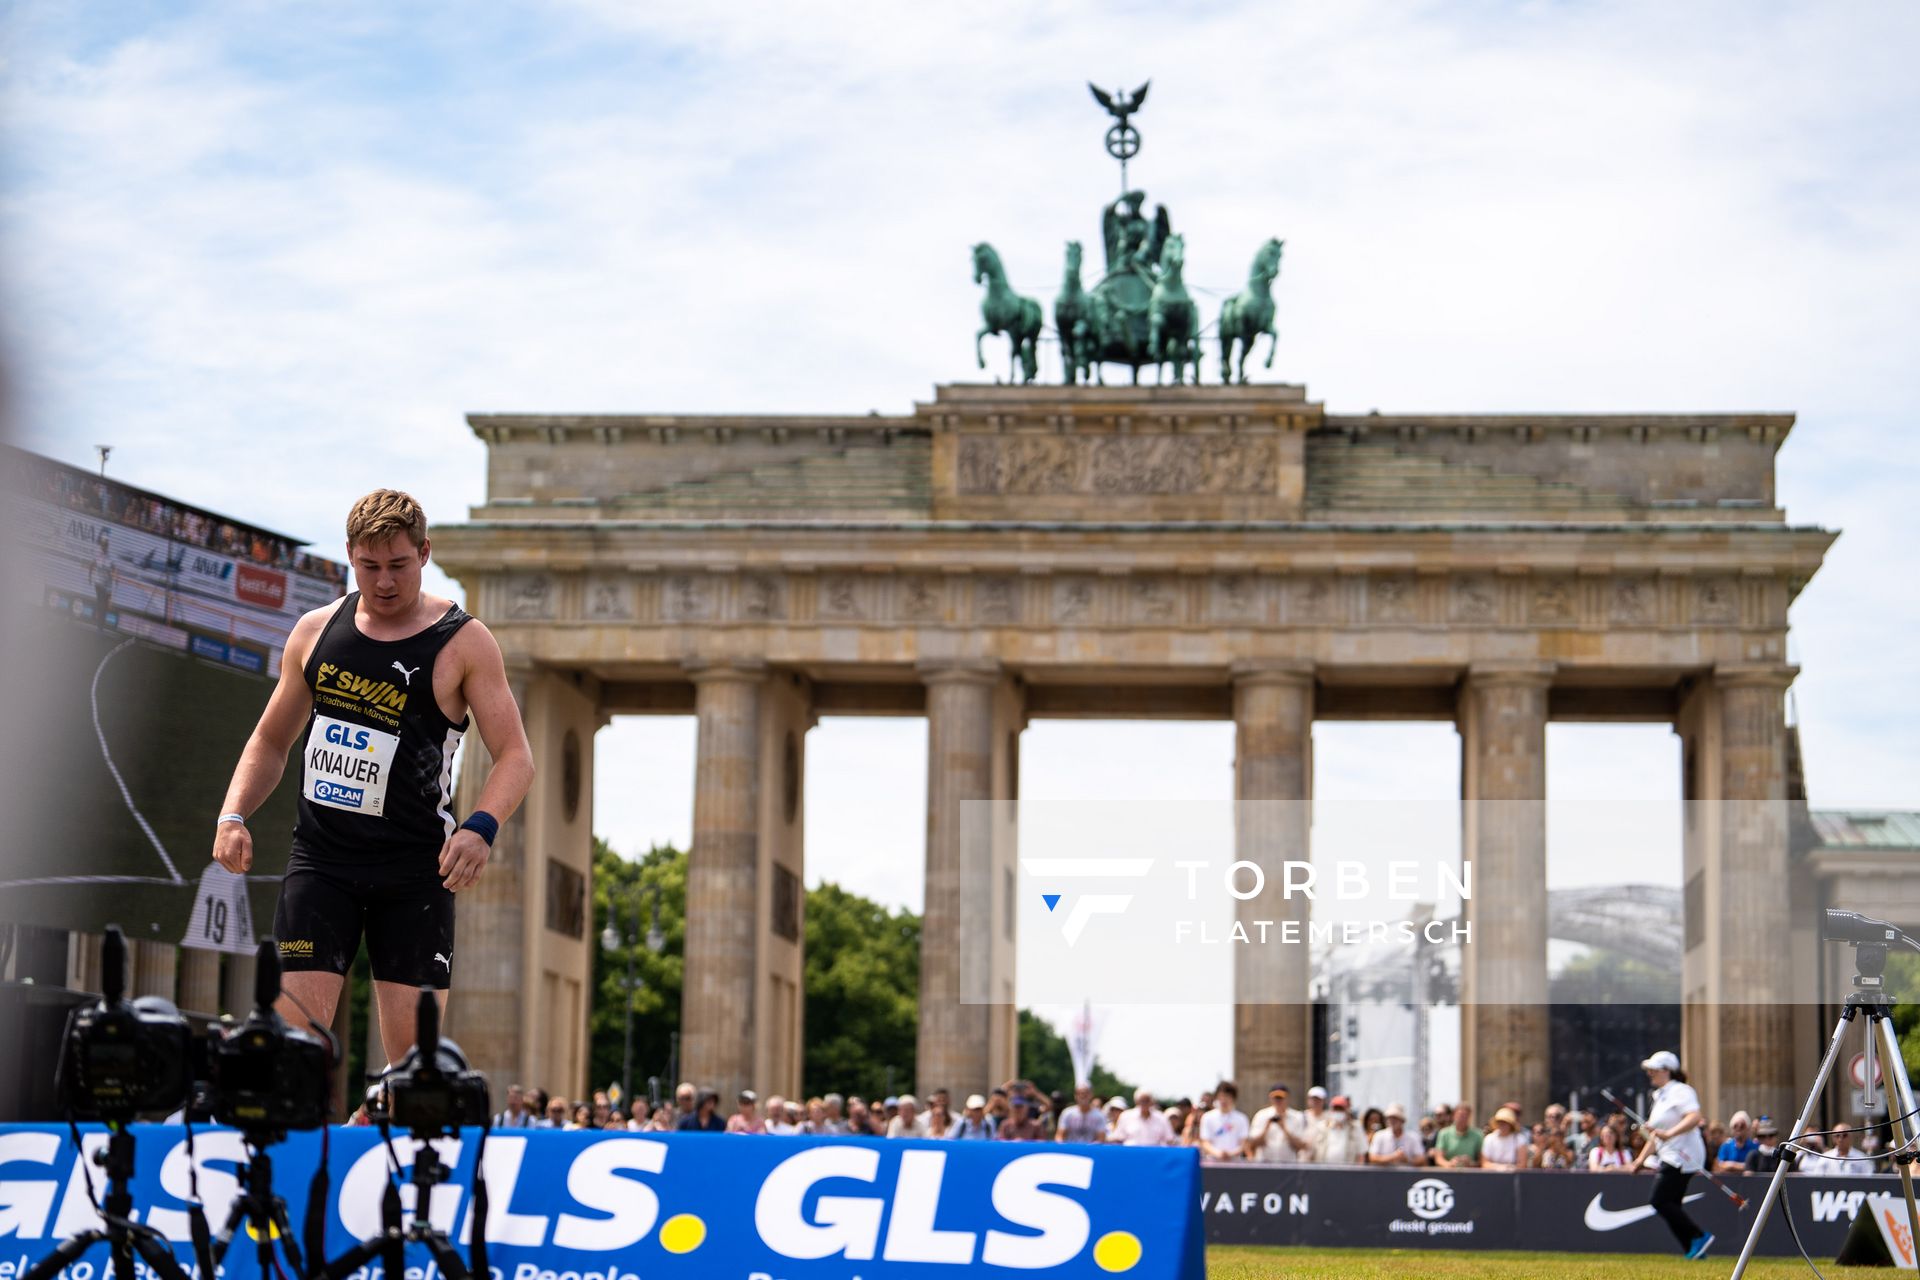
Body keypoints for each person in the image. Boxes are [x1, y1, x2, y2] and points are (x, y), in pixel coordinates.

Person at [212, 491, 535, 1066]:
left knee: (416, 1070)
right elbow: (270, 739)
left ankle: (386, 1128)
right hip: (322, 862)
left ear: (425, 554)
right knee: (293, 1052)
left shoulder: (463, 642)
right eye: (369, 567)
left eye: (398, 566)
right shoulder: (315, 632)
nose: (383, 583)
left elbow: (515, 755)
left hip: (414, 871)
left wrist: (479, 828)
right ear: (349, 557)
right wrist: (233, 814)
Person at [1634, 1050, 1714, 1260]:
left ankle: (1698, 1236)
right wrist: (1640, 1160)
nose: (1650, 1073)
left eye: (1654, 1069)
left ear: (1667, 1071)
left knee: (1659, 1200)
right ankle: (1694, 1249)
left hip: (1683, 1155)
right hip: (1669, 1154)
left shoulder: (1680, 1091)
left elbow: (1694, 1117)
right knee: (1672, 1203)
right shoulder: (1660, 1096)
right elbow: (1655, 1136)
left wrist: (1669, 1133)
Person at [1249, 1083, 1312, 1164]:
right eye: (1275, 1098)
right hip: (1265, 1164)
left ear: (1287, 1098)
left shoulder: (1297, 1117)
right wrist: (1266, 1127)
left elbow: (1301, 1146)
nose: (1278, 1101)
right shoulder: (1261, 1115)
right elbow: (1252, 1145)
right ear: (1270, 1098)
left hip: (1289, 1165)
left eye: (1281, 1098)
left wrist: (1284, 1128)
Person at [1198, 1082, 1250, 1162]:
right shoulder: (1207, 1117)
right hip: (1212, 1162)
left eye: (1227, 1096)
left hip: (1235, 1163)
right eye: (1221, 1096)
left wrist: (1230, 1153)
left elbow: (1244, 1143)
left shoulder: (1242, 1118)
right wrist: (1218, 1153)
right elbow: (1205, 1142)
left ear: (1233, 1098)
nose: (1223, 1100)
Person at [1316, 1096, 1367, 1165]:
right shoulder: (1322, 1126)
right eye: (1336, 1109)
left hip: (1348, 1170)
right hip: (1325, 1169)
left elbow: (1361, 1154)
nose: (1338, 1112)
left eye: (1341, 1109)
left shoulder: (1355, 1127)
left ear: (1346, 1110)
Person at [1432, 1102, 1483, 1169]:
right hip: (1448, 1174)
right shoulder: (1444, 1133)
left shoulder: (1478, 1135)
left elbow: (1482, 1161)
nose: (1462, 1119)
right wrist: (1450, 1163)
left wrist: (1470, 1163)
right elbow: (1438, 1159)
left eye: (1465, 1116)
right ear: (1454, 1115)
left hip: (1471, 1175)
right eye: (1460, 1115)